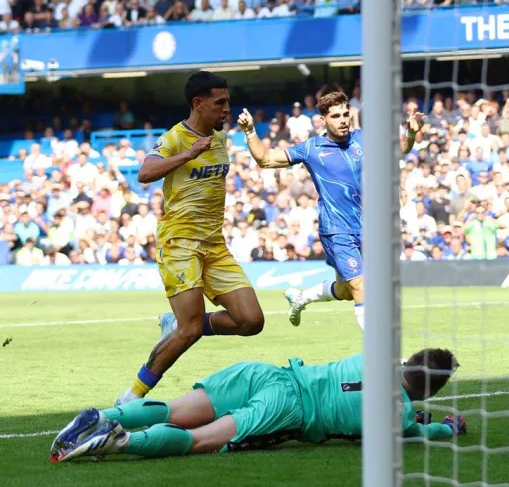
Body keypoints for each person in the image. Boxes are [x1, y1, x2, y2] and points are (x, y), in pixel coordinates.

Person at [116, 72, 266, 406]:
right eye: (220, 103)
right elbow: (144, 173)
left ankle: (177, 324)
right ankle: (129, 398)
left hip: (214, 245)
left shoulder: (220, 136)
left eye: (227, 101)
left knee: (251, 320)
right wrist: (188, 154)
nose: (226, 109)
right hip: (180, 243)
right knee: (191, 330)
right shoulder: (175, 138)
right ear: (198, 104)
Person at [50, 348, 465, 462]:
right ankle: (119, 443)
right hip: (288, 409)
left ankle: (104, 416)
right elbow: (424, 430)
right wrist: (448, 426)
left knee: (174, 410)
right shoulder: (400, 419)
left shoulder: (375, 355)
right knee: (199, 441)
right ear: (429, 392)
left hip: (271, 373)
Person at [236, 91, 423, 331]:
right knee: (362, 286)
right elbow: (265, 159)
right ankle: (384, 358)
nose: (343, 120)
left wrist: (411, 132)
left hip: (367, 227)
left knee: (345, 291)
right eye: (336, 116)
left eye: (346, 114)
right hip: (337, 229)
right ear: (323, 119)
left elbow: (401, 150)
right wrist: (250, 131)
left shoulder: (364, 138)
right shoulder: (311, 148)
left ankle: (301, 297)